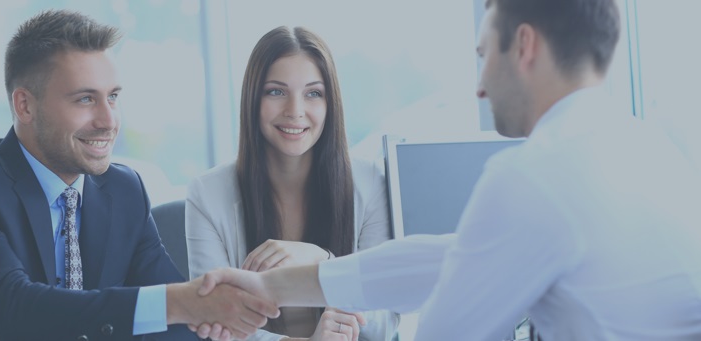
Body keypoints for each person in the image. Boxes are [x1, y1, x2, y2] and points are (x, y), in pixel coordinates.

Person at [195, 0, 701, 340]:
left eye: (483, 55)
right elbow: (450, 259)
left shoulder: (532, 176)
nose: (478, 86)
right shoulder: (655, 151)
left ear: (523, 47)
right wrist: (280, 287)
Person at [0, 10, 278, 341]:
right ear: (25, 105)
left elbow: (174, 315)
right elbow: (13, 310)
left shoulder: (123, 189)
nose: (108, 120)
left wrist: (204, 315)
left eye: (112, 96)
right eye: (85, 99)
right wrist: (180, 303)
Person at [185, 26, 398, 341]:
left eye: (313, 93)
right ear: (253, 100)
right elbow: (215, 325)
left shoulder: (371, 183)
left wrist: (322, 262)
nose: (295, 111)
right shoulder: (207, 193)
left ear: (330, 103)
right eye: (276, 91)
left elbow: (384, 323)